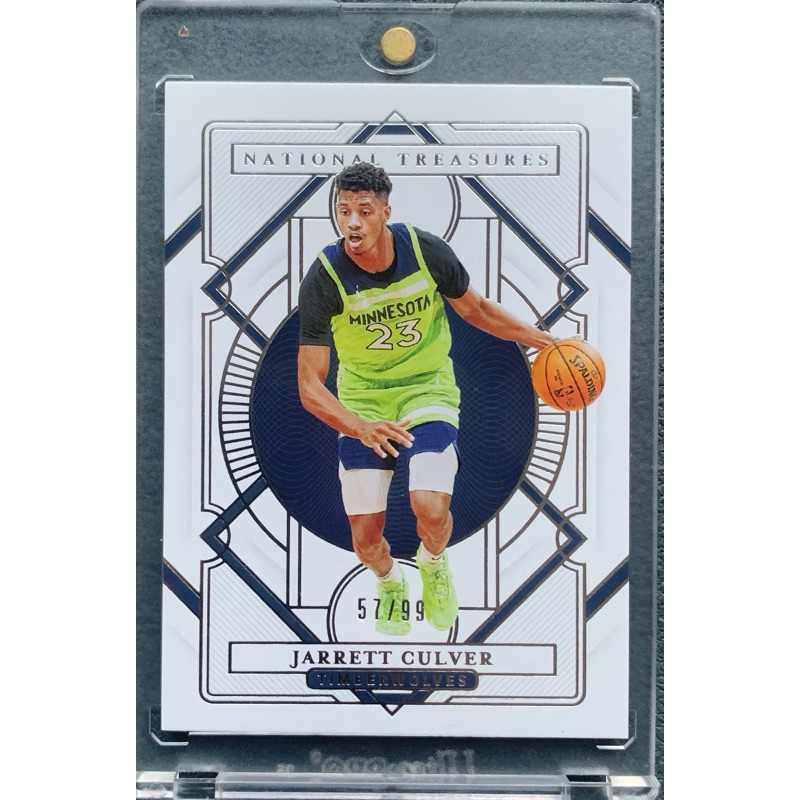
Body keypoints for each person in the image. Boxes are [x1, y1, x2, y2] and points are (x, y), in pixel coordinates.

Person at [297, 162, 557, 636]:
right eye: (343, 210)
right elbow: (310, 387)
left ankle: (434, 564)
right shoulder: (324, 277)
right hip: (363, 402)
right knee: (365, 540)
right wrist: (359, 426)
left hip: (427, 388)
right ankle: (390, 582)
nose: (352, 222)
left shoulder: (425, 251)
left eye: (364, 211)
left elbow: (477, 310)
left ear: (385, 213)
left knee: (431, 507)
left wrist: (546, 342)